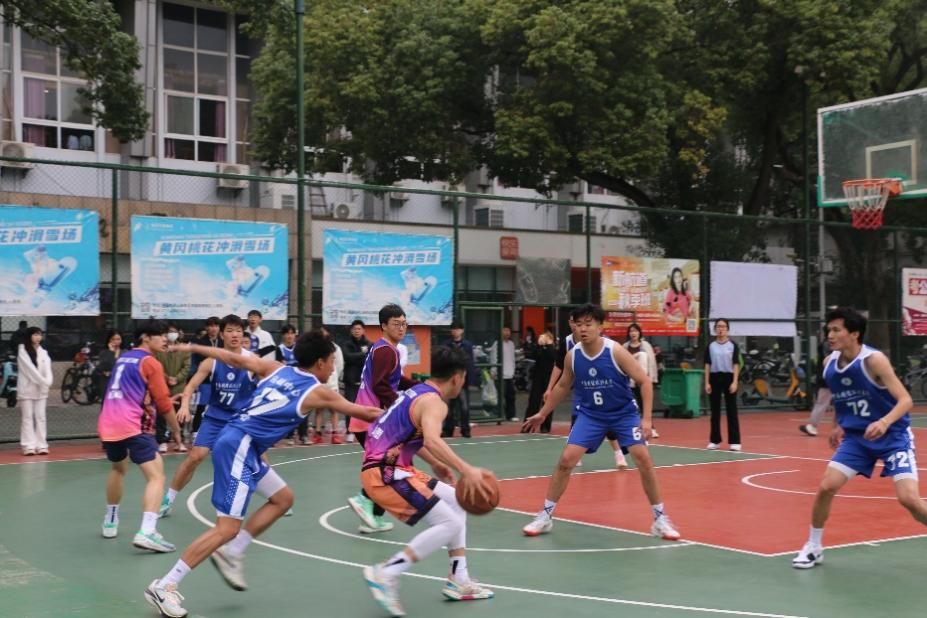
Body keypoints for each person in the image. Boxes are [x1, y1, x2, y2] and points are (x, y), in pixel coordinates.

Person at [144, 331, 381, 618]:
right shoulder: (317, 391)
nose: (333, 368)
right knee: (226, 528)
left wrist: (194, 346)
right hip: (239, 448)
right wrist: (410, 409)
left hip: (243, 445)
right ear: (320, 362)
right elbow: (367, 413)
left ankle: (233, 552)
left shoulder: (276, 369)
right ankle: (165, 585)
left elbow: (231, 358)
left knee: (283, 498)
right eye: (331, 361)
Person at [521, 304, 680, 541]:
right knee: (566, 461)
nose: (583, 329)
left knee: (643, 459)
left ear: (600, 326)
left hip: (623, 414)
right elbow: (563, 386)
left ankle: (660, 519)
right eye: (578, 324)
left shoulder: (615, 351)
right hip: (591, 415)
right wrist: (542, 414)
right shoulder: (573, 356)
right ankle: (545, 516)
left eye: (588, 324)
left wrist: (646, 420)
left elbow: (644, 381)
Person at [361, 346, 494, 617]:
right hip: (386, 472)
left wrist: (435, 462)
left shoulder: (416, 392)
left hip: (391, 467)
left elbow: (406, 435)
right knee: (449, 523)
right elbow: (432, 439)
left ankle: (458, 578)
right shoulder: (435, 402)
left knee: (457, 502)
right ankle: (387, 572)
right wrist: (466, 469)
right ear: (458, 377)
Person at [792, 307, 926, 569]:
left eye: (836, 330)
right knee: (827, 486)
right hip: (857, 440)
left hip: (893, 437)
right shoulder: (829, 363)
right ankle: (814, 546)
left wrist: (884, 421)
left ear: (854, 334)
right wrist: (837, 425)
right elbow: (842, 397)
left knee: (909, 499)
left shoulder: (874, 361)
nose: (830, 335)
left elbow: (905, 400)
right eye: (828, 330)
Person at [97, 319, 182, 551]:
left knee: (118, 468)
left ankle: (110, 520)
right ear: (146, 337)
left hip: (108, 421)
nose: (166, 339)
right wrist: (176, 430)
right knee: (157, 476)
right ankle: (147, 532)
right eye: (161, 335)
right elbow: (164, 403)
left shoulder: (124, 358)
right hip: (133, 423)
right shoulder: (150, 362)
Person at [159, 315, 255, 518]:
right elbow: (191, 385)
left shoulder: (251, 360)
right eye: (230, 331)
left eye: (238, 331)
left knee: (257, 457)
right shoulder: (212, 361)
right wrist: (185, 405)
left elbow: (270, 380)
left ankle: (276, 495)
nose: (235, 335)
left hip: (240, 419)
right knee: (196, 456)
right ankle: (168, 499)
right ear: (222, 335)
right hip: (215, 417)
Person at [347, 304, 418, 534]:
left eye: (404, 323)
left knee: (389, 466)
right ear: (384, 326)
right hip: (372, 418)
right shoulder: (386, 351)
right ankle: (363, 499)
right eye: (396, 324)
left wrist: (419, 387)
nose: (401, 328)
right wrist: (399, 409)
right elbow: (380, 385)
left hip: (368, 418)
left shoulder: (385, 349)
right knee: (392, 465)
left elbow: (394, 380)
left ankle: (373, 517)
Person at [545, 317, 628, 469]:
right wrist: (550, 388)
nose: (578, 326)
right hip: (581, 389)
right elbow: (558, 367)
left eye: (585, 323)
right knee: (576, 419)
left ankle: (618, 453)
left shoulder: (604, 343)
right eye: (574, 322)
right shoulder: (567, 343)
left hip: (602, 387)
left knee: (608, 421)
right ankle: (576, 455)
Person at [704, 318, 742, 451]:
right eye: (718, 326)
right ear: (715, 329)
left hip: (729, 377)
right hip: (714, 377)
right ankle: (715, 440)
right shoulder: (711, 346)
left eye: (723, 326)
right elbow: (707, 364)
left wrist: (735, 382)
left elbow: (736, 364)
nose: (720, 329)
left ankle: (735, 441)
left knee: (732, 410)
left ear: (727, 329)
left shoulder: (733, 345)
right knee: (715, 411)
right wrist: (707, 382)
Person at [154, 324, 190, 453]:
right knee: (161, 416)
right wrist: (166, 378)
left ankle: (179, 441)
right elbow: (156, 365)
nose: (172, 334)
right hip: (162, 386)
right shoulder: (159, 349)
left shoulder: (184, 349)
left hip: (179, 387)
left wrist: (177, 378)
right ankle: (162, 441)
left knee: (179, 416)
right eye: (169, 332)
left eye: (174, 331)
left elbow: (187, 367)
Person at [17, 326, 53, 456]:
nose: (38, 337)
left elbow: (48, 369)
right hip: (26, 389)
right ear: (29, 336)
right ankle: (28, 446)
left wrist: (48, 382)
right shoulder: (22, 350)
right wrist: (44, 381)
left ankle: (41, 445)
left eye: (40, 335)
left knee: (41, 417)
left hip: (41, 390)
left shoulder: (44, 352)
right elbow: (29, 370)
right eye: (35, 334)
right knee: (27, 417)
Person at [308, 326, 345, 444]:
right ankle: (318, 433)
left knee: (334, 409)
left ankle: (335, 434)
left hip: (332, 383)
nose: (323, 335)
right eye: (321, 333)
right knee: (318, 409)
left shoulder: (336, 348)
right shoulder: (315, 347)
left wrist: (332, 375)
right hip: (319, 382)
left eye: (324, 333)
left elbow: (339, 365)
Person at [623, 323, 660, 439]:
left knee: (645, 405)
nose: (633, 333)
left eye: (635, 331)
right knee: (633, 406)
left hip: (643, 380)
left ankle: (651, 428)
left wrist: (652, 378)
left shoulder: (646, 346)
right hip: (629, 381)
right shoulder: (624, 347)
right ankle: (633, 428)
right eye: (631, 331)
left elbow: (652, 363)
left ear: (639, 333)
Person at [442, 321, 477, 438]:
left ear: (462, 331)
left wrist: (469, 379)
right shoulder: (446, 344)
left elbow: (470, 363)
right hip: (449, 380)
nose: (455, 331)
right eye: (453, 329)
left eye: (458, 329)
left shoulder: (467, 345)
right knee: (449, 407)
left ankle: (465, 429)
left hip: (462, 380)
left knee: (464, 406)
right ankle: (448, 430)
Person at [800, 328, 833, 437]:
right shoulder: (827, 344)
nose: (819, 334)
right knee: (823, 402)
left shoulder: (829, 345)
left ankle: (812, 426)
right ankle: (812, 426)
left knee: (823, 402)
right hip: (827, 377)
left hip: (829, 377)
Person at [524, 331, 556, 433]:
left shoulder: (552, 349)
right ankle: (528, 425)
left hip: (549, 379)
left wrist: (548, 345)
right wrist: (539, 346)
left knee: (547, 402)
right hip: (538, 378)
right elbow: (533, 355)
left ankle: (545, 426)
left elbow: (552, 357)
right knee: (533, 402)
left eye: (544, 337)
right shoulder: (540, 349)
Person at [342, 319, 370, 404]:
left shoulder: (369, 344)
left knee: (364, 405)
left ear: (363, 330)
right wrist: (363, 354)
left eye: (359, 329)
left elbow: (370, 359)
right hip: (350, 380)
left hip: (365, 380)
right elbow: (347, 357)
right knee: (350, 404)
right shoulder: (346, 344)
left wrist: (355, 357)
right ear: (351, 330)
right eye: (354, 329)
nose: (357, 331)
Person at [95, 330, 123, 398]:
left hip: (120, 384)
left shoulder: (125, 353)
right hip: (107, 383)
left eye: (118, 339)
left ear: (121, 340)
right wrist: (110, 352)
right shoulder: (104, 353)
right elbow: (102, 367)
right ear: (109, 340)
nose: (116, 341)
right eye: (113, 339)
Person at [502, 326, 516, 420]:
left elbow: (512, 358)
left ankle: (511, 415)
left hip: (510, 373)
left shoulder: (511, 344)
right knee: (501, 396)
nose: (507, 333)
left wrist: (513, 370)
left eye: (508, 331)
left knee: (511, 395)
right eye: (505, 331)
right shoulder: (498, 344)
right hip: (501, 374)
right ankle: (500, 414)